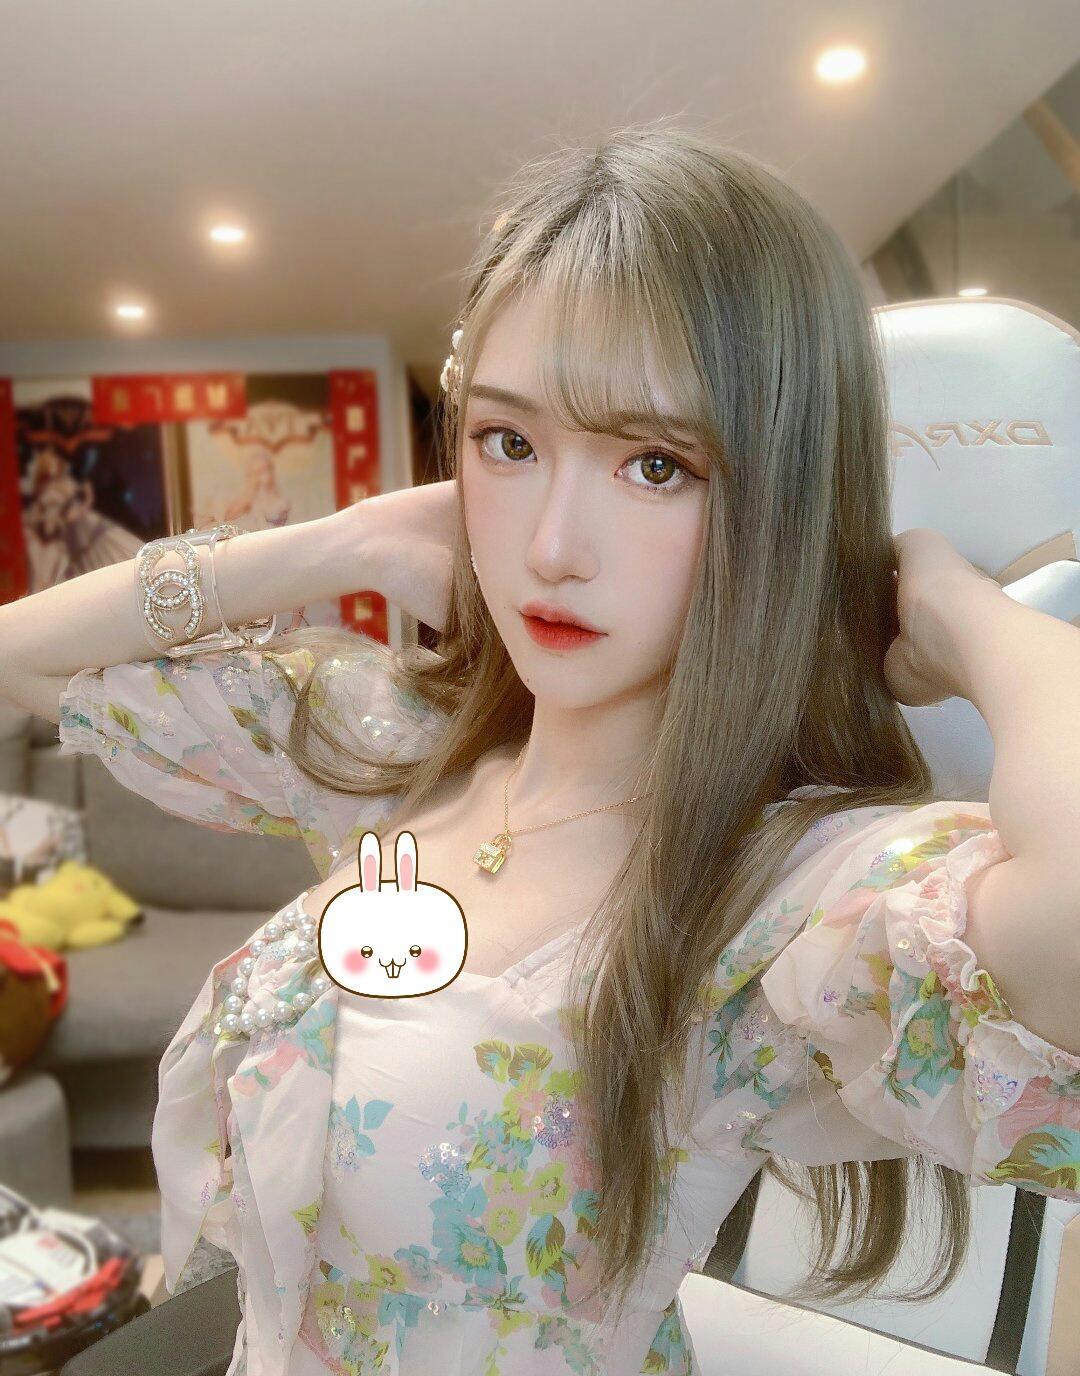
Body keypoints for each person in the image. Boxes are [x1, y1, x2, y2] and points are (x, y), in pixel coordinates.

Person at [1, 124, 1078, 1376]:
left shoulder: (782, 889)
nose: (553, 545)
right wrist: (340, 542)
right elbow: (26, 659)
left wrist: (961, 613)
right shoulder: (401, 742)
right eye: (509, 443)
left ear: (780, 499)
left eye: (657, 464)